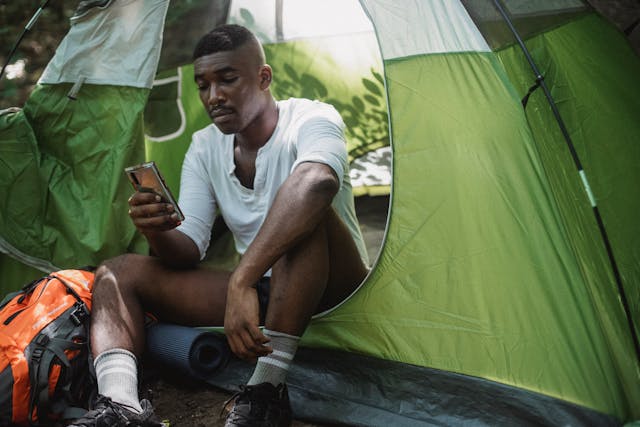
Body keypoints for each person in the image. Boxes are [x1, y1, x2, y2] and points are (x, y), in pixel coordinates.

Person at [69, 24, 369, 427]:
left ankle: (266, 391)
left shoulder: (312, 117)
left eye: (227, 80)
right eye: (203, 86)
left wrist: (240, 280)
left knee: (306, 208)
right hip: (266, 292)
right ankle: (120, 406)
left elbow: (319, 182)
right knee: (115, 272)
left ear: (263, 78)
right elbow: (190, 246)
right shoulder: (205, 145)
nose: (214, 97)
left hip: (336, 286)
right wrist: (155, 229)